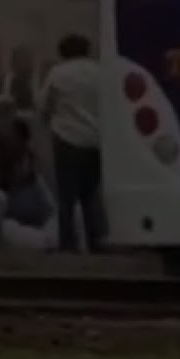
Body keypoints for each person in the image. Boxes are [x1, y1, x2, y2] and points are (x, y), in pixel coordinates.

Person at [39, 34, 104, 253]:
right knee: (91, 196)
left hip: (66, 140)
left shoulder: (58, 73)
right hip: (95, 141)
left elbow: (44, 105)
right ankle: (96, 243)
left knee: (66, 198)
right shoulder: (100, 72)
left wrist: (48, 122)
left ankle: (68, 246)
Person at [0, 96, 52, 236]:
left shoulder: (20, 135)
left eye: (10, 113)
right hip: (9, 202)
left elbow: (30, 166)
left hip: (24, 193)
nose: (7, 119)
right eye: (3, 114)